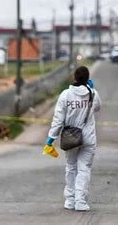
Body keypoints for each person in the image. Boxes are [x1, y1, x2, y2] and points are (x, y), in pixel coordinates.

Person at [45, 66, 102, 211]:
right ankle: (80, 202)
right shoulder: (93, 94)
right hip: (88, 138)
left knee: (71, 167)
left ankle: (69, 200)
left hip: (71, 137)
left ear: (74, 78)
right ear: (88, 78)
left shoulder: (65, 95)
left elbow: (58, 119)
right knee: (84, 169)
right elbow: (98, 107)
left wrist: (51, 138)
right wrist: (92, 90)